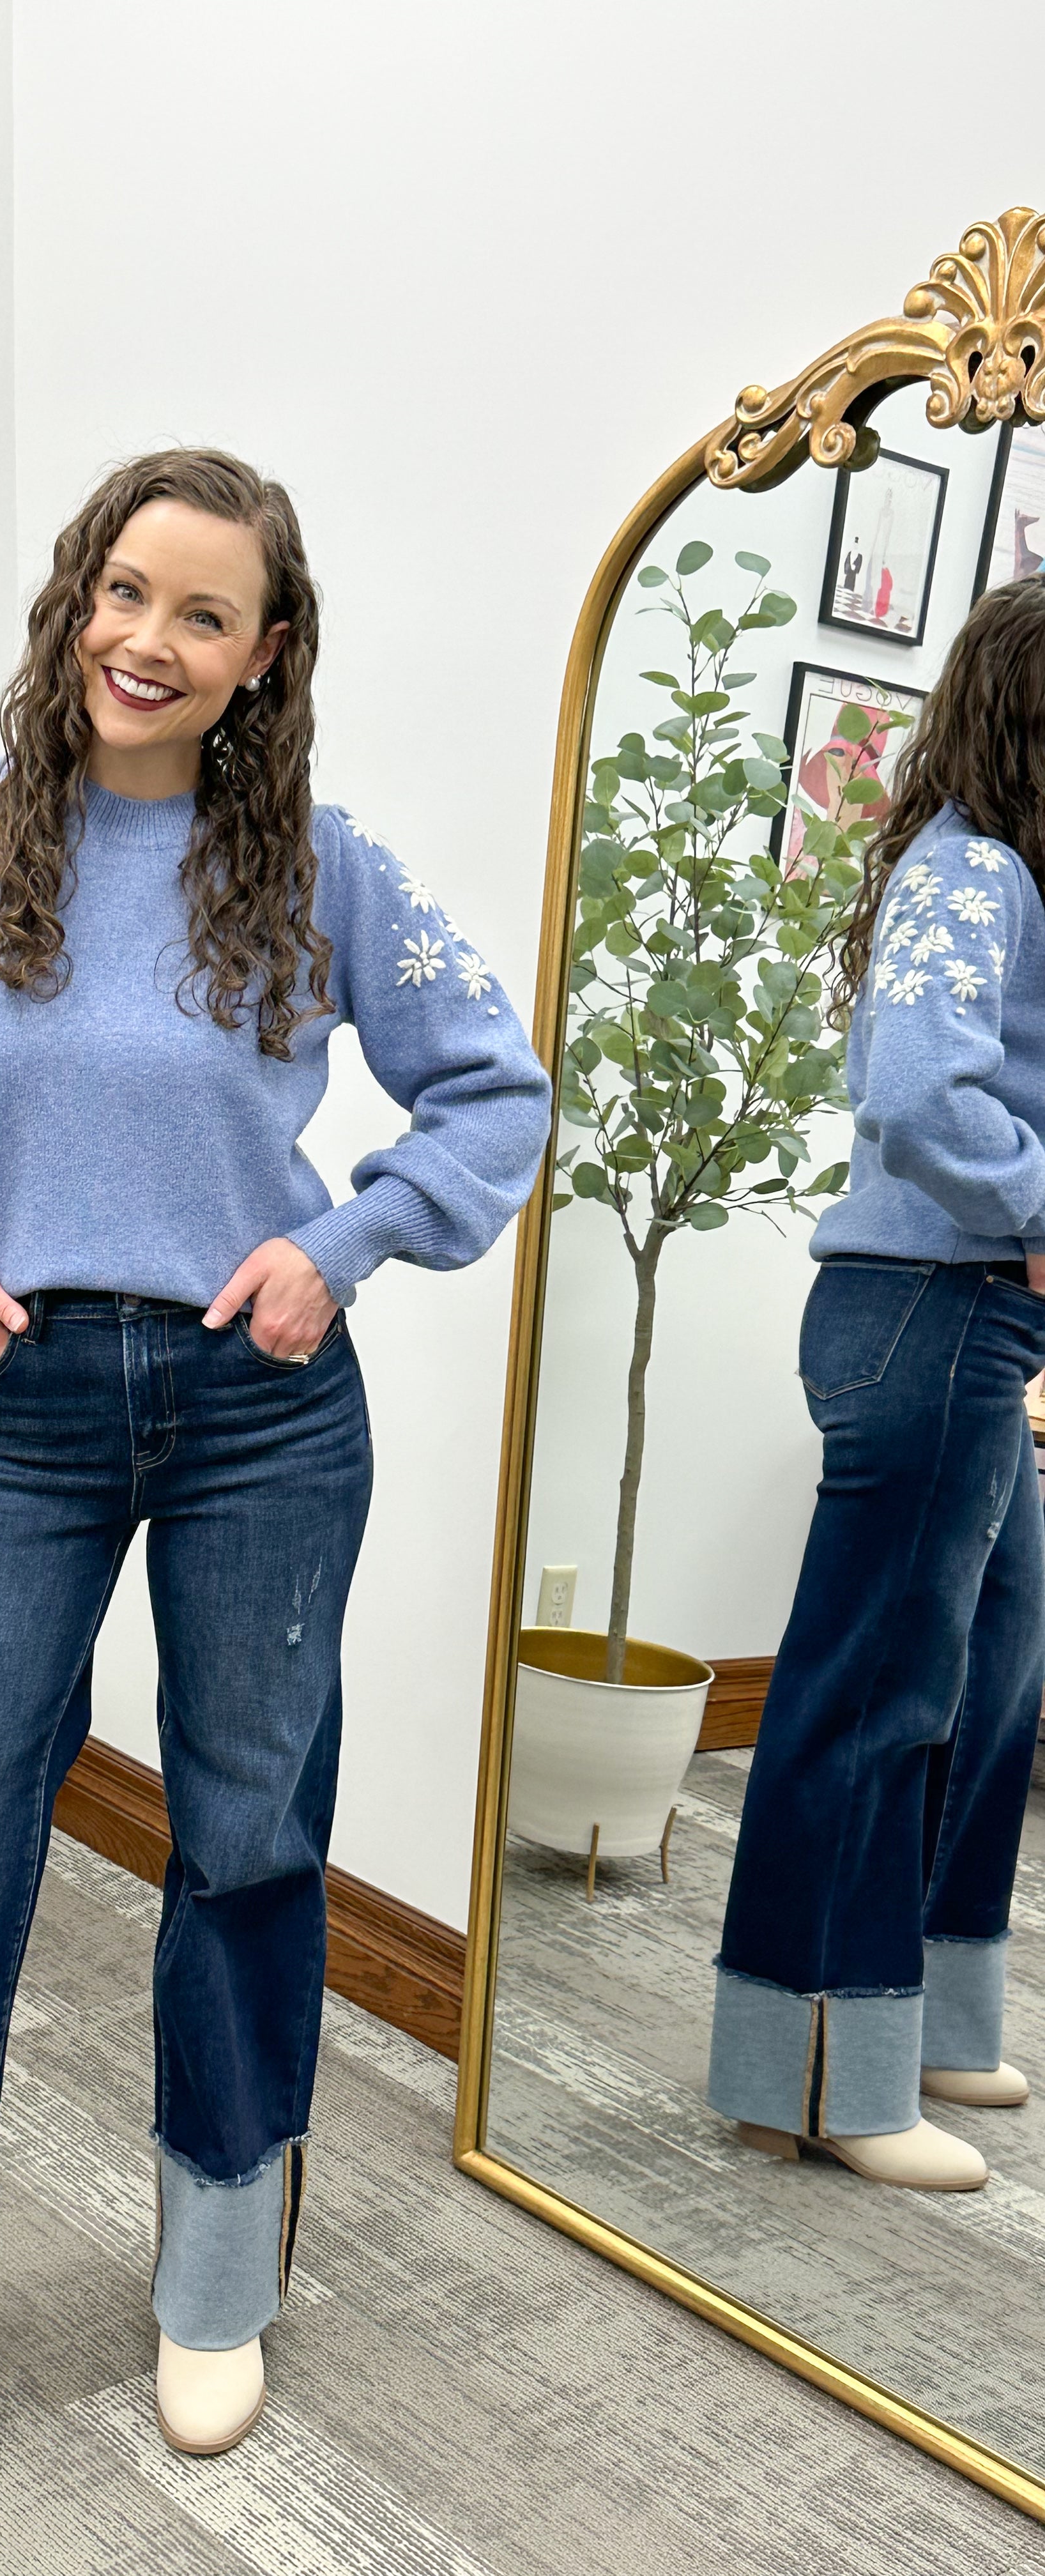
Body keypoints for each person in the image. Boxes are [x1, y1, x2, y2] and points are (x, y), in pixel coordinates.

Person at [0, 448, 551, 2476]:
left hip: (262, 1405)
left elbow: (493, 1098)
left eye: (205, 616)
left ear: (264, 659)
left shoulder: (328, 868)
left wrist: (342, 1246)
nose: (149, 642)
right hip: (18, 1408)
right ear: (78, 599)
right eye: (124, 593)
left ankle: (219, 2280)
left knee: (247, 1839)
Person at [709, 579, 1045, 2191]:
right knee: (873, 1694)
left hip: (961, 1316)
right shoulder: (970, 868)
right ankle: (825, 2074)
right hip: (929, 1310)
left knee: (995, 1670)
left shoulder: (1002, 876)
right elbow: (921, 1092)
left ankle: (939, 2019)